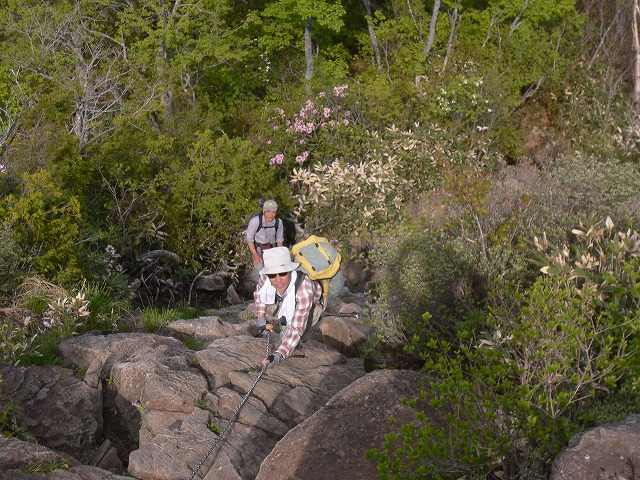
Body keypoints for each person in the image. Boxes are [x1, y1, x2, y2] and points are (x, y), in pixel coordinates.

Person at [254, 246, 324, 367]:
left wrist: (278, 355)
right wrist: (261, 318)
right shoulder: (266, 277)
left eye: (282, 273)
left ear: (290, 270)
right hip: (286, 297)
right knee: (285, 326)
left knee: (292, 333)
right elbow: (259, 293)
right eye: (272, 275)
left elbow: (296, 330)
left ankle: (300, 345)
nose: (278, 280)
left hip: (313, 304)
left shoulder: (305, 289)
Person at [245, 200, 284, 282]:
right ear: (263, 211)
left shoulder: (278, 222)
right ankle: (255, 285)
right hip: (258, 247)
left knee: (274, 269)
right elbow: (249, 239)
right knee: (259, 268)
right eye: (268, 212)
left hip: (271, 247)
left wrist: (280, 254)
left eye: (273, 212)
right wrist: (256, 256)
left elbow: (279, 239)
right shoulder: (255, 221)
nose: (270, 214)